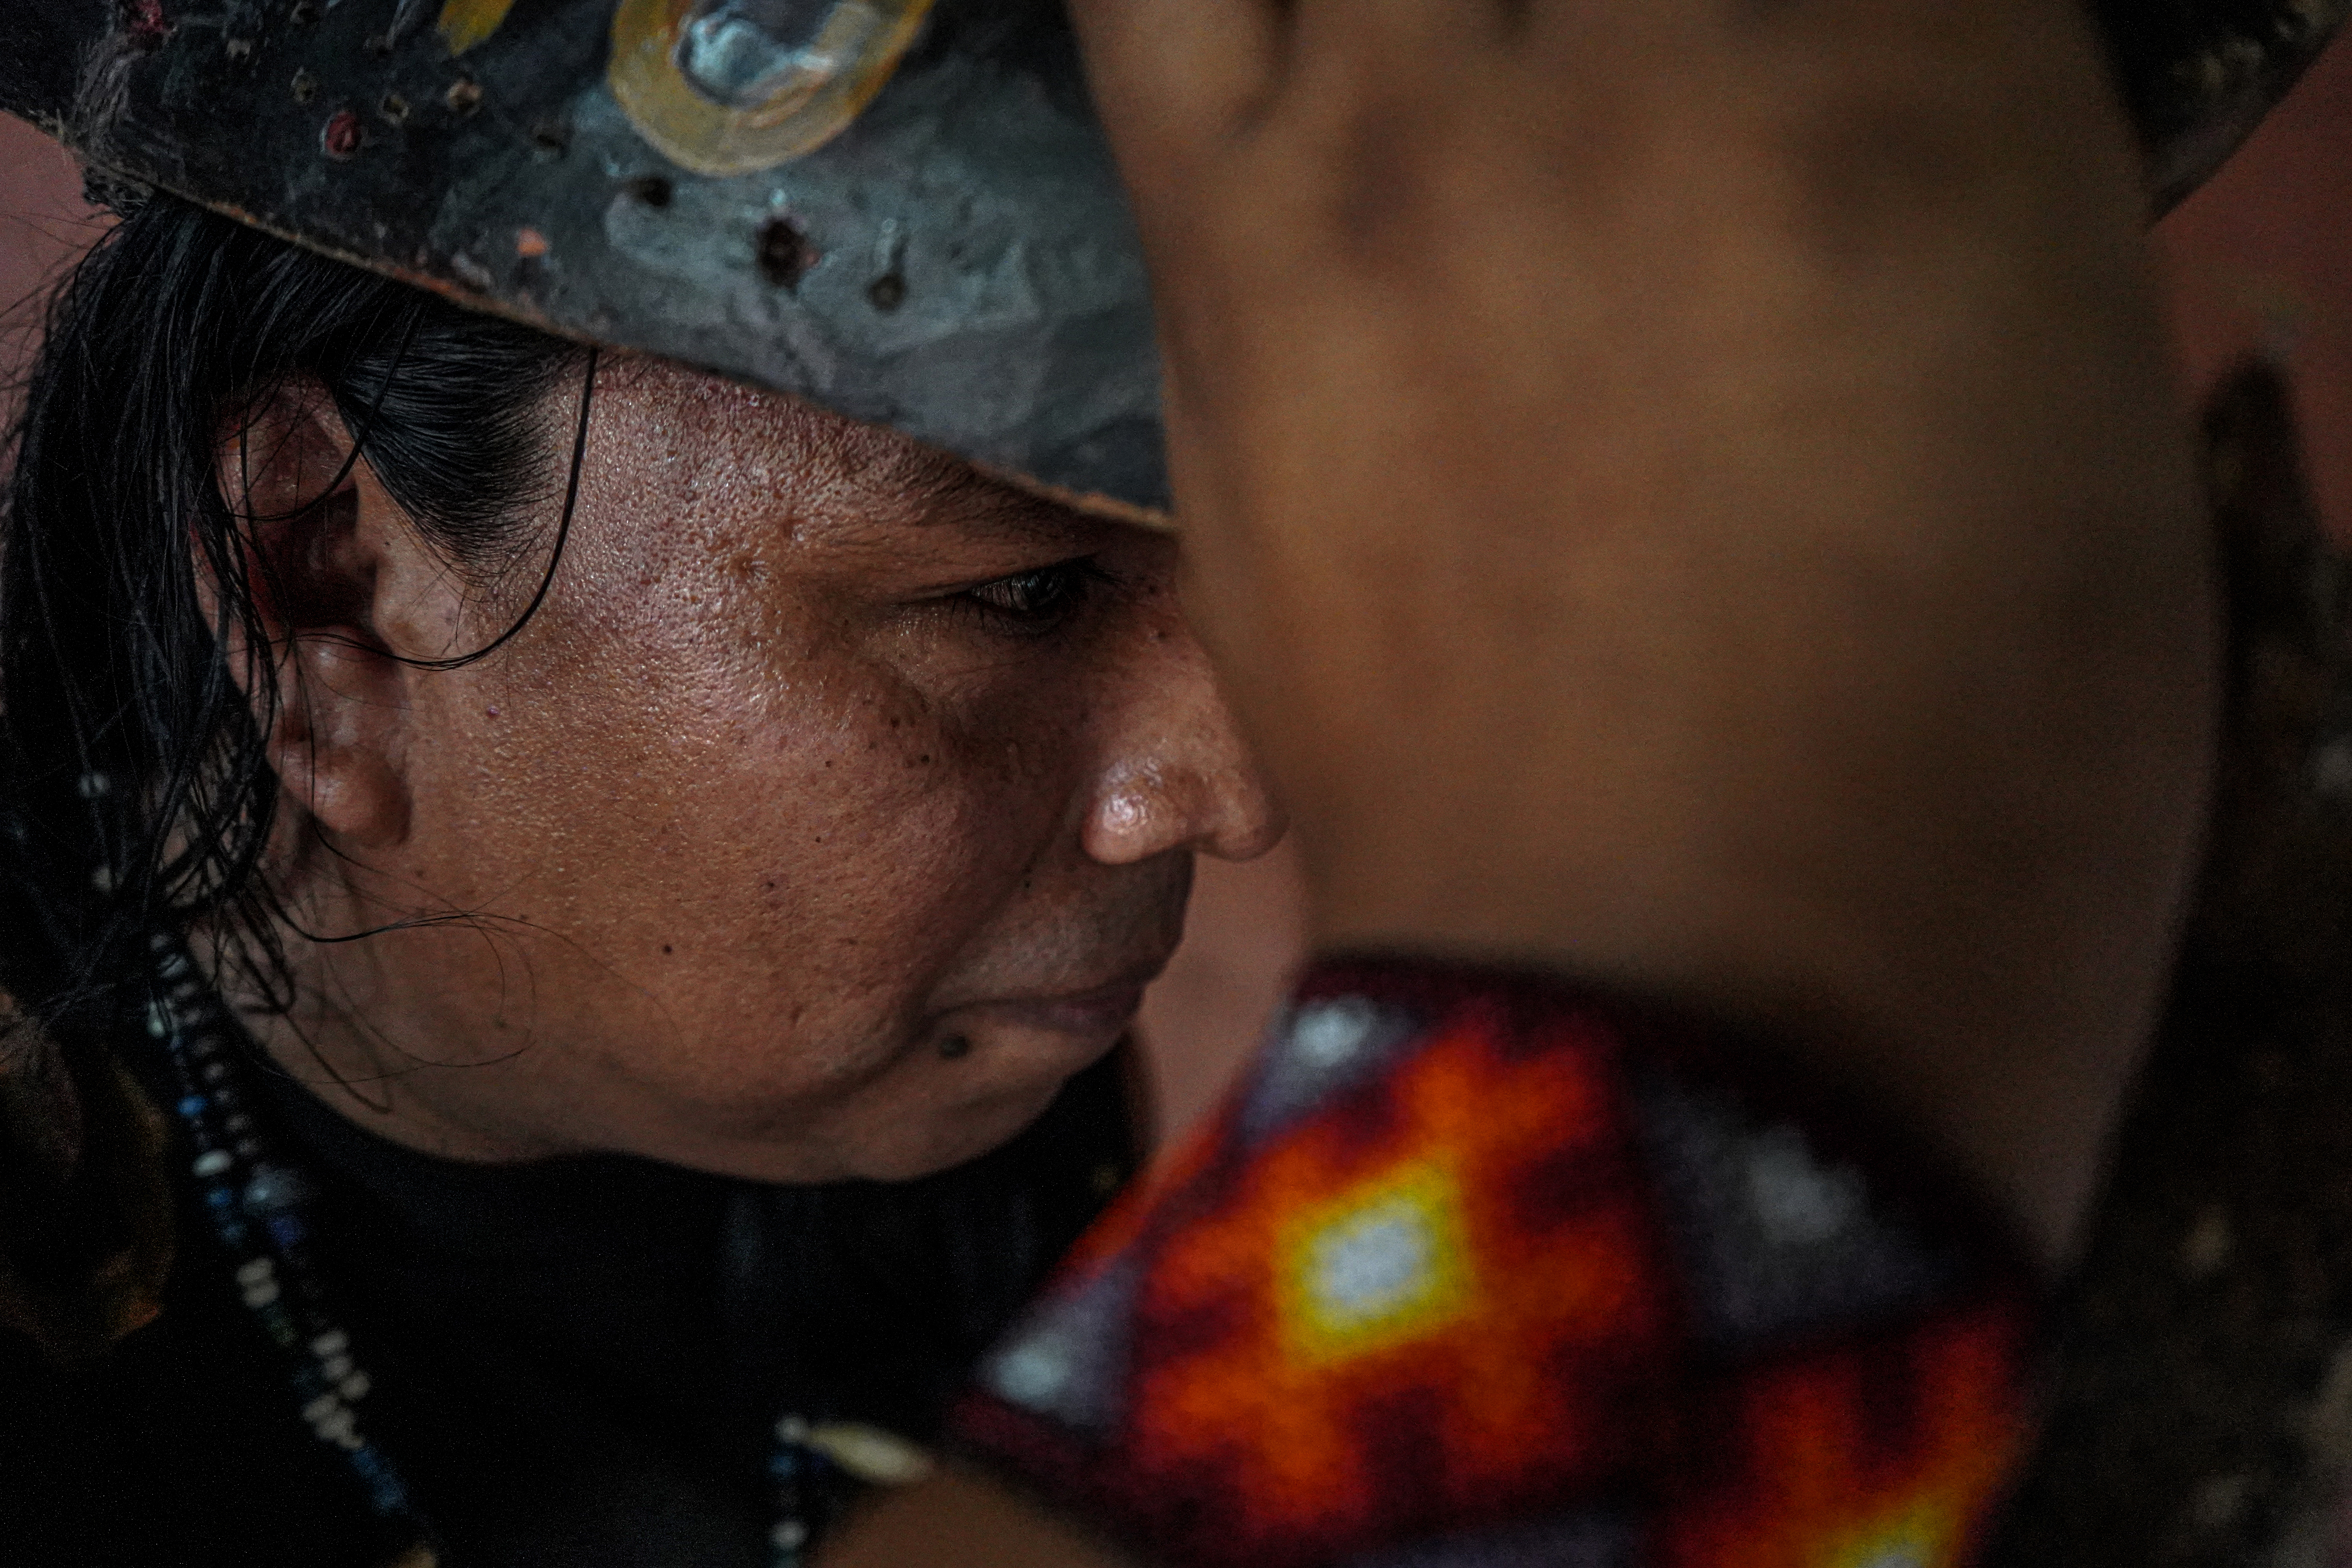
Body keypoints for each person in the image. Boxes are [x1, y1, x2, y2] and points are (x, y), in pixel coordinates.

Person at [0, 1, 2337, 1567]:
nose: (1232, 794)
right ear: (322, 574)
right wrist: (1693, 1096)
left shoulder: (935, 1139)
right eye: (1021, 598)